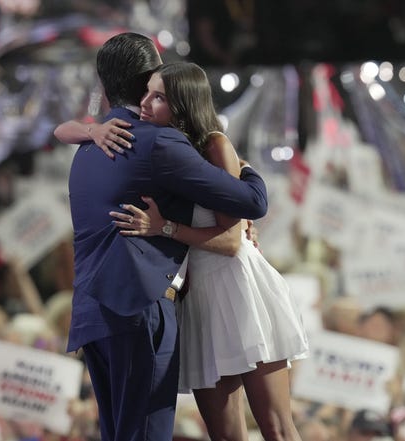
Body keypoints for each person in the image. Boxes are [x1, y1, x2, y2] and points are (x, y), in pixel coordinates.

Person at [62, 32, 268, 441]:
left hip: (91, 312)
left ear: (103, 84)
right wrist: (241, 163)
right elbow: (252, 202)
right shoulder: (158, 142)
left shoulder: (88, 144)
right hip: (137, 308)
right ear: (149, 81)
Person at [108, 61, 308, 441]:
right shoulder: (154, 152)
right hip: (197, 298)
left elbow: (232, 242)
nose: (145, 103)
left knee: (277, 429)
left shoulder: (214, 144)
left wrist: (163, 227)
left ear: (183, 104)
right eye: (147, 92)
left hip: (238, 288)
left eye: (159, 97)